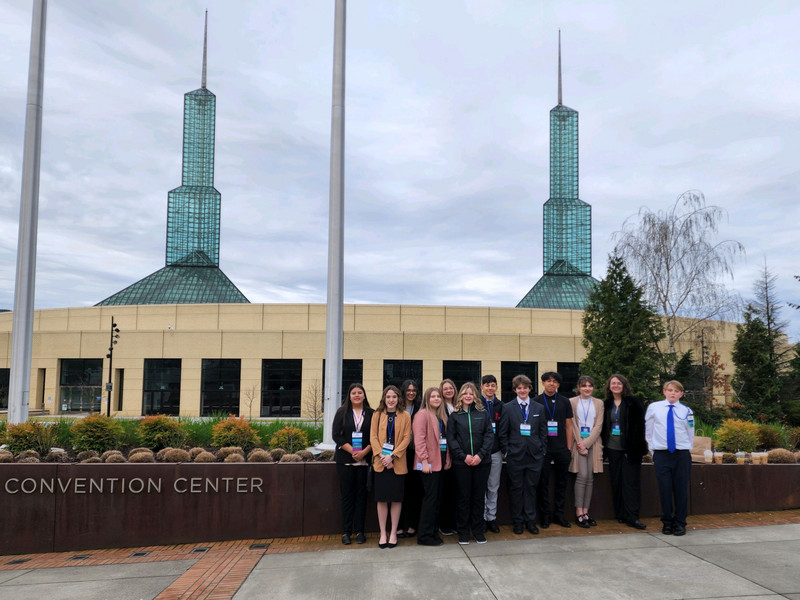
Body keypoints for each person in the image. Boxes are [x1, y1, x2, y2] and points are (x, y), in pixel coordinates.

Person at [498, 374, 547, 535]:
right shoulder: (507, 407)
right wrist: (507, 452)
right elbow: (502, 432)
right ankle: (518, 522)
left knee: (531, 489)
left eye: (525, 387)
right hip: (515, 456)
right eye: (519, 388)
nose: (522, 390)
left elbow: (543, 432)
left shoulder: (539, 408)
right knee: (516, 490)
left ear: (530, 389)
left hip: (534, 456)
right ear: (515, 390)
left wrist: (542, 450)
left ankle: (530, 522)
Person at [447, 382, 494, 544]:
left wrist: (480, 455)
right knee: (463, 498)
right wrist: (463, 456)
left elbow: (489, 436)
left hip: (482, 462)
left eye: (471, 393)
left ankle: (478, 530)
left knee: (478, 497)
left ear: (475, 396)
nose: (468, 396)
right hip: (462, 464)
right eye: (465, 393)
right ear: (460, 396)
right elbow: (451, 439)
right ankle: (463, 532)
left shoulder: (483, 413)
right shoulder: (455, 415)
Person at [646, 380, 694, 536]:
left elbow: (690, 432)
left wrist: (687, 449)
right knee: (665, 490)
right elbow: (649, 430)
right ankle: (667, 522)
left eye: (676, 391)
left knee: (681, 490)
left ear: (681, 394)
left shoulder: (687, 411)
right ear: (664, 391)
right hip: (661, 453)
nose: (673, 393)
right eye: (670, 390)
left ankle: (680, 523)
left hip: (680, 454)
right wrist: (652, 450)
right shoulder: (654, 408)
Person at [601, 374, 648, 530]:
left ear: (624, 385)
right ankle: (620, 513)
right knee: (617, 482)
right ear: (609, 386)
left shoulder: (633, 403)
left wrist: (635, 449)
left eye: (618, 383)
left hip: (630, 450)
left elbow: (639, 427)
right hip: (612, 448)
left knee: (631, 484)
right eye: (613, 383)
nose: (615, 385)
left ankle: (633, 517)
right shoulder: (606, 404)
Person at [370, 385, 412, 548]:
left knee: (396, 499)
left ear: (398, 399)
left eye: (394, 397)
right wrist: (382, 455)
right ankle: (383, 533)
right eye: (388, 397)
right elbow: (373, 437)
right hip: (381, 463)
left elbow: (406, 438)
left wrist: (392, 456)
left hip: (397, 463)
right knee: (381, 499)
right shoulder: (377, 415)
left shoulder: (405, 416)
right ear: (384, 398)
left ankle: (393, 532)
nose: (391, 400)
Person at [332, 383, 373, 545]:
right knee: (347, 497)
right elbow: (336, 435)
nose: (357, 395)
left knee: (362, 498)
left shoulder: (371, 413)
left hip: (364, 461)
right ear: (349, 396)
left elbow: (375, 436)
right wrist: (352, 451)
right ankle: (346, 532)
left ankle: (360, 531)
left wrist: (363, 452)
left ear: (364, 395)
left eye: (360, 392)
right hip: (345, 462)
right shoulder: (342, 412)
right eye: (354, 393)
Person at [414, 387, 451, 546]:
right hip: (428, 464)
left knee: (436, 500)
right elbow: (419, 440)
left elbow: (445, 440)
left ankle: (433, 532)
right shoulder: (422, 415)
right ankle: (424, 536)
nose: (436, 399)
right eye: (433, 396)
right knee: (430, 500)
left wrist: (447, 459)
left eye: (438, 396)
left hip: (441, 462)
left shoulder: (440, 416)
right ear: (427, 399)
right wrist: (423, 461)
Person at [536, 371, 574, 528]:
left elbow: (569, 425)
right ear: (543, 383)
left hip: (561, 449)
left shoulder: (565, 401)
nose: (551, 383)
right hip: (543, 449)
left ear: (558, 385)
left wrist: (569, 448)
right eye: (548, 381)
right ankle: (545, 517)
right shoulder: (536, 401)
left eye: (555, 381)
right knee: (542, 484)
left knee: (561, 484)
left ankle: (559, 515)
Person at [568, 375, 604, 528]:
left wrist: (587, 443)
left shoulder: (599, 403)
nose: (587, 388)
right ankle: (578, 513)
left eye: (590, 385)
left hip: (593, 443)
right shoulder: (572, 402)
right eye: (584, 386)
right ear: (578, 387)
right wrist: (581, 444)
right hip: (577, 443)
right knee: (582, 476)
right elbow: (572, 424)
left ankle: (586, 511)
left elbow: (598, 425)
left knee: (590, 478)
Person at [397, 379, 422, 539]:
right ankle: (400, 525)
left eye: (414, 390)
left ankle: (412, 524)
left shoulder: (420, 408)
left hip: (416, 453)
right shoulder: (397, 408)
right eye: (408, 390)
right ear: (403, 391)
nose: (411, 392)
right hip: (399, 454)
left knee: (415, 490)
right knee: (401, 490)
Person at [481, 374, 504, 534]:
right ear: (481, 387)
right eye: (487, 385)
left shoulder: (501, 405)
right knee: (481, 487)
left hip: (496, 452)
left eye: (493, 385)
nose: (490, 388)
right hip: (480, 453)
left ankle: (491, 518)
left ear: (496, 387)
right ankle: (481, 518)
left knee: (493, 487)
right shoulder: (475, 404)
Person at [438, 378, 458, 536]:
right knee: (445, 491)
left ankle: (455, 522)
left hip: (459, 453)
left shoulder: (459, 406)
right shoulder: (440, 408)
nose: (449, 391)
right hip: (444, 454)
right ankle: (444, 524)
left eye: (451, 388)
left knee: (456, 491)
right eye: (445, 388)